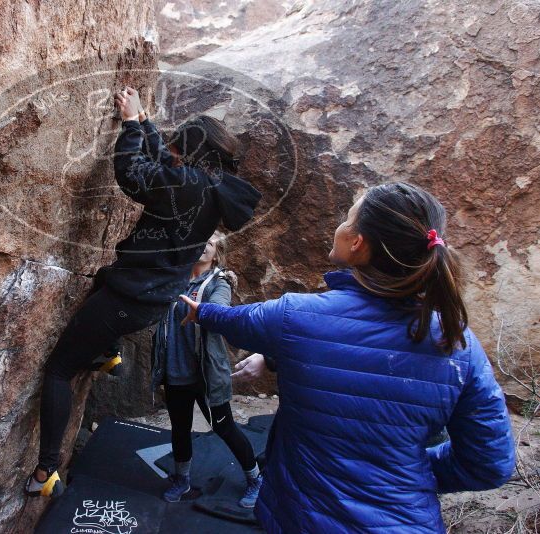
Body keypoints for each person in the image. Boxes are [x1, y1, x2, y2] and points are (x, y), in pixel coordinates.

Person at [180, 182, 515, 532]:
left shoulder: (295, 315)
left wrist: (199, 313)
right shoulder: (458, 342)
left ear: (357, 243)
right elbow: (490, 464)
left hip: (303, 519)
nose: (340, 224)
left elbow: (235, 321)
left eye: (348, 216)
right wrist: (403, 471)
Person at [25, 87, 262, 497]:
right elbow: (165, 163)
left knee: (60, 370)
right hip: (147, 298)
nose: (172, 150)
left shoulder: (187, 184)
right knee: (103, 276)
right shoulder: (208, 185)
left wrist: (131, 124)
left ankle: (45, 471)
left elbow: (133, 174)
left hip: (128, 301)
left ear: (192, 153)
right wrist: (145, 121)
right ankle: (107, 353)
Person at [152, 230, 263, 507]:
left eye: (210, 243)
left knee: (224, 427)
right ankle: (182, 479)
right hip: (174, 369)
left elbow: (220, 310)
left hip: (206, 374)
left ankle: (255, 479)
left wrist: (203, 310)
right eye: (201, 240)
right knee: (179, 428)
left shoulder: (219, 281)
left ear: (217, 253)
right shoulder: (176, 279)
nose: (203, 246)